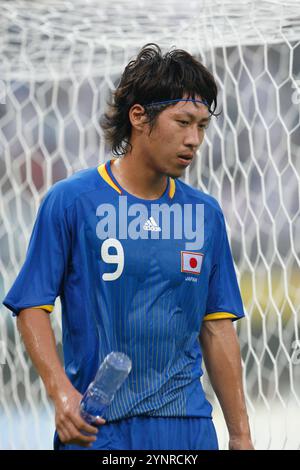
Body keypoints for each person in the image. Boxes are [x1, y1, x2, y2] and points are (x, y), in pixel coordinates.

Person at [3, 43, 254, 451]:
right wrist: (61, 393)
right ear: (139, 117)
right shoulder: (71, 202)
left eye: (203, 126)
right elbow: (31, 305)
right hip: (99, 428)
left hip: (187, 425)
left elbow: (216, 324)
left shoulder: (205, 214)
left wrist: (241, 435)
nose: (195, 140)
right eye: (183, 122)